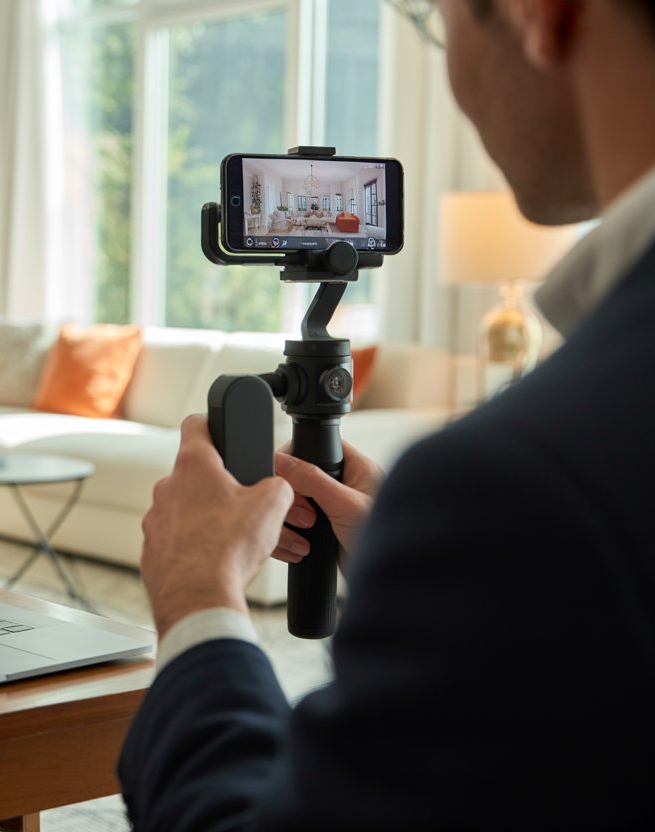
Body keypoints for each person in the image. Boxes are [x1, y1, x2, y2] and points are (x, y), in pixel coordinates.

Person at [118, 1, 655, 828]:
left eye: (439, 22)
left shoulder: (516, 482)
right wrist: (437, 587)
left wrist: (196, 597)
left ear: (539, 14)